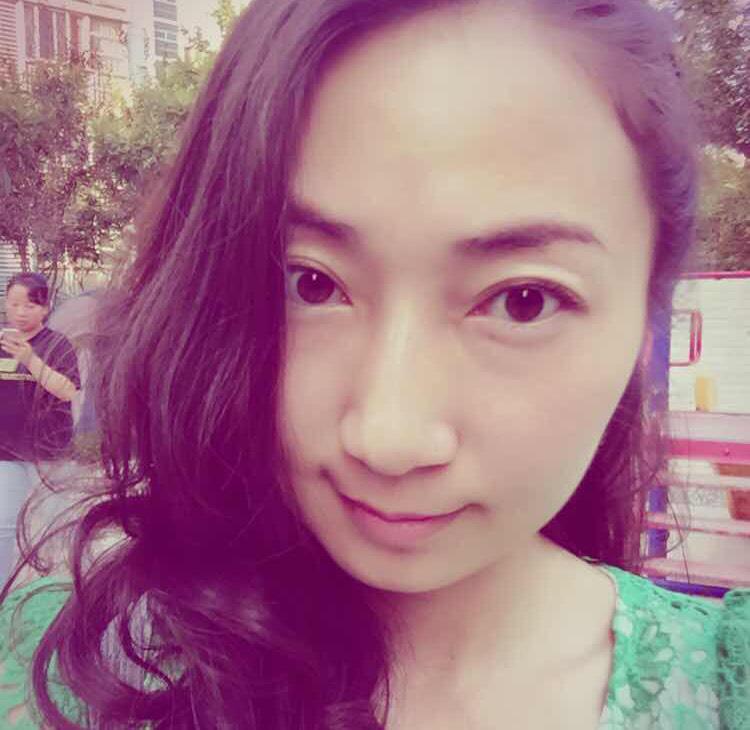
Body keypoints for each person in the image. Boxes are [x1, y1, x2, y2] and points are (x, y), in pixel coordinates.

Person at [0, 1, 748, 728]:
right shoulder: (76, 670)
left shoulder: (722, 689)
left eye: (523, 301)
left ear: (647, 315)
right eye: (310, 283)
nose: (389, 438)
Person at [0, 273, 80, 581]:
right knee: (4, 528)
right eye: (14, 304)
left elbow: (68, 391)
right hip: (6, 452)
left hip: (48, 452)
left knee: (51, 530)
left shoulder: (57, 345)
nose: (20, 312)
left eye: (30, 306)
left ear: (45, 308)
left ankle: (51, 593)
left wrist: (30, 359)